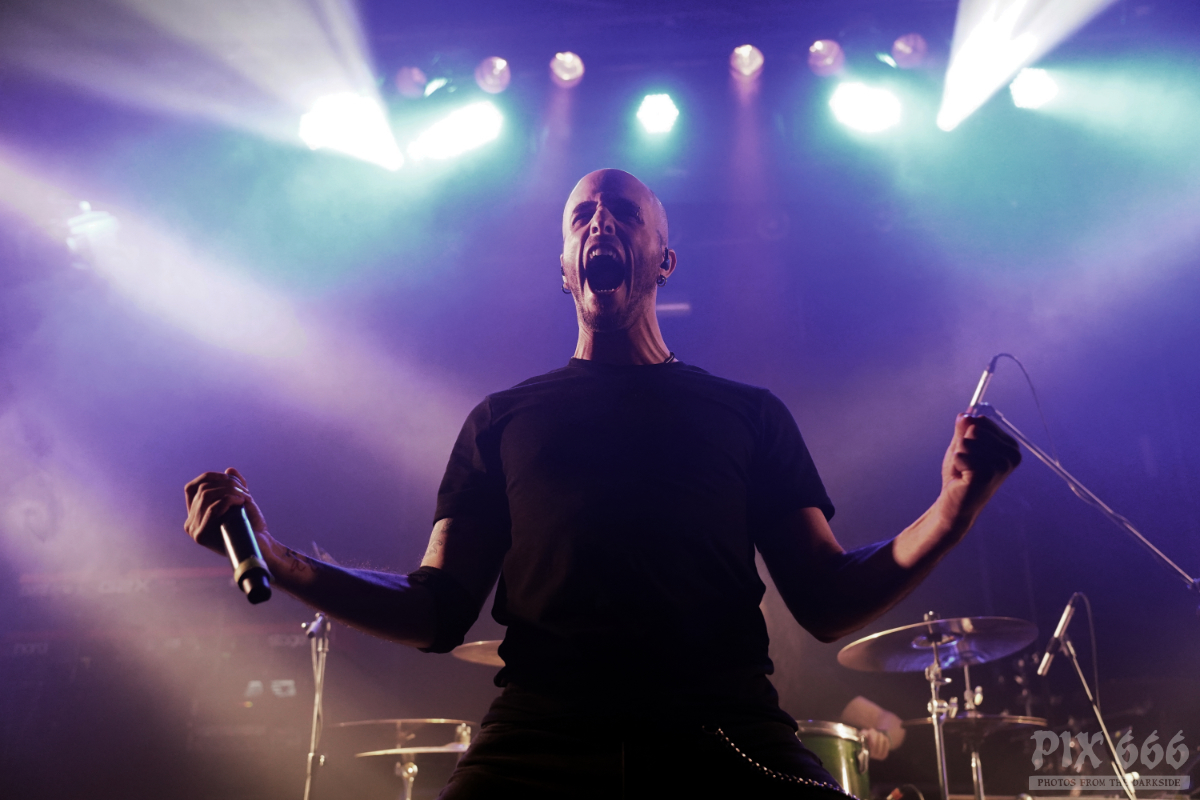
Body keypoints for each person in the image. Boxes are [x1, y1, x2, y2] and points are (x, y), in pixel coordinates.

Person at [184, 169, 1021, 799]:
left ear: (664, 259)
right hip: (538, 741)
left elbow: (826, 598)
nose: (601, 223)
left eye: (623, 212)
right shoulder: (502, 420)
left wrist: (951, 510)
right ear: (564, 266)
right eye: (583, 215)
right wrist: (279, 559)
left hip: (722, 731)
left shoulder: (747, 415)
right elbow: (435, 610)